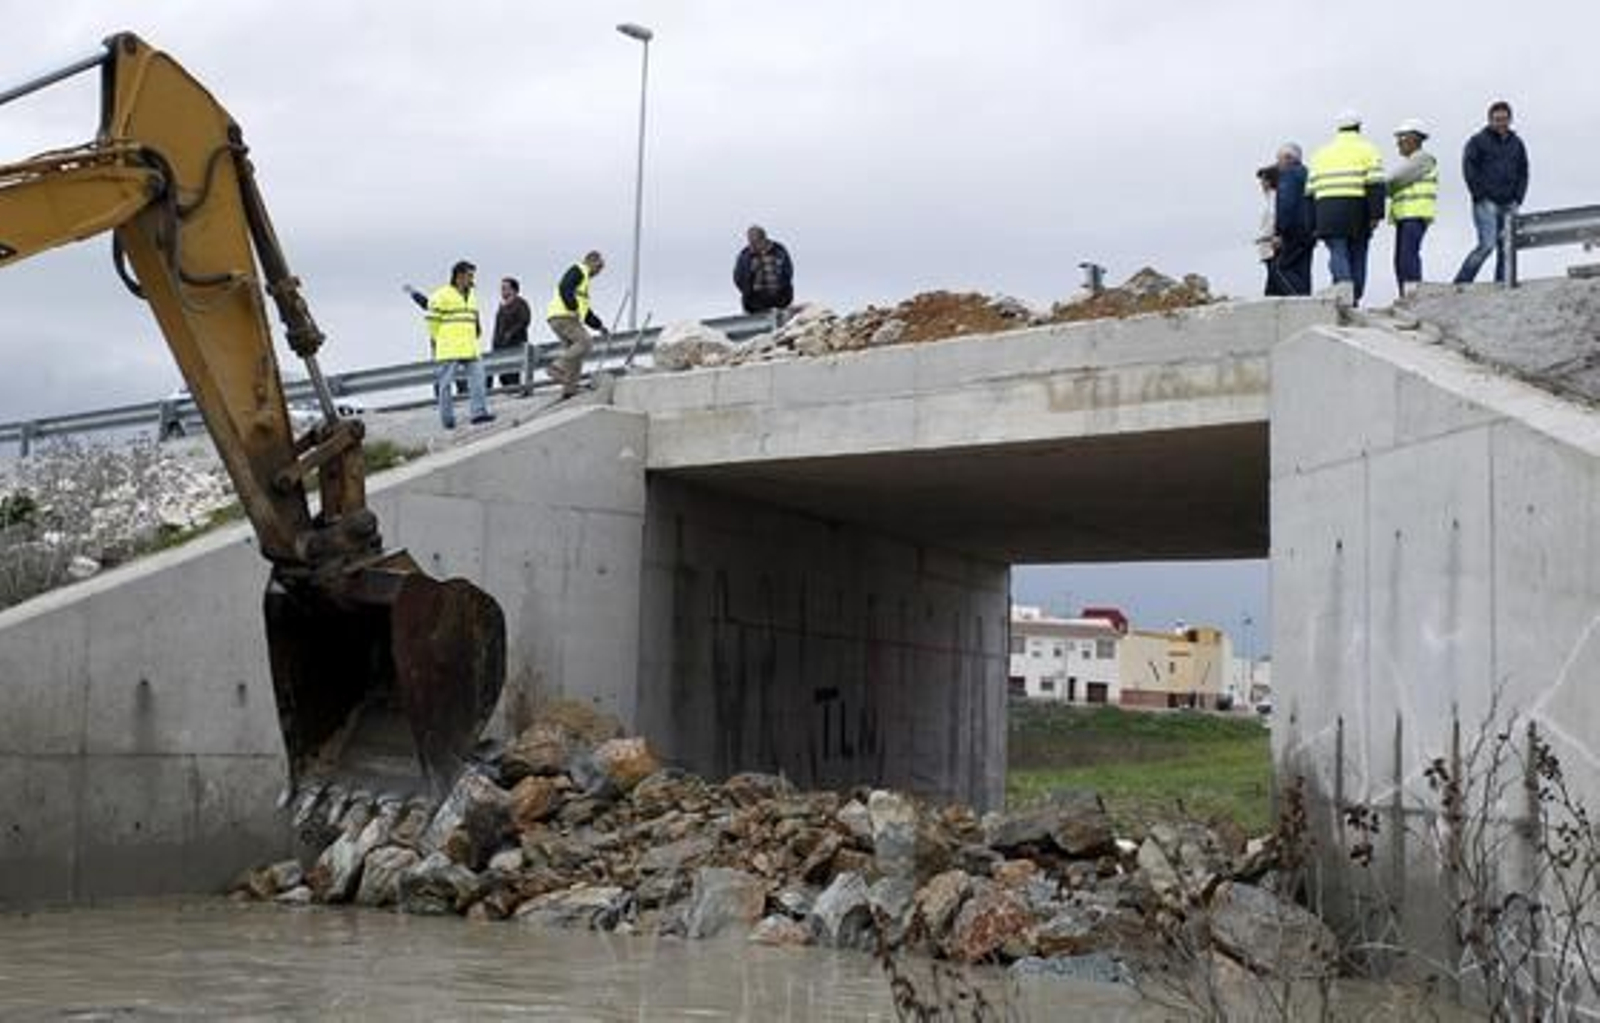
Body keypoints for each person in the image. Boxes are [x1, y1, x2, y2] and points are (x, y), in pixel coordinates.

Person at [1307, 111, 1385, 306]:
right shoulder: (1368, 150)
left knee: (1337, 251)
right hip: (1356, 208)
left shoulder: (1320, 154)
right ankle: (1354, 296)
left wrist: (1313, 221)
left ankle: (1343, 292)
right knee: (1358, 253)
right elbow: (1375, 184)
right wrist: (1376, 215)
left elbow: (1309, 192)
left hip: (1326, 209)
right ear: (1359, 127)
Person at [1453, 100, 1529, 284]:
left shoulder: (1517, 143)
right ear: (1490, 120)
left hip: (1510, 202)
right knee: (1487, 245)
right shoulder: (1478, 141)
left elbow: (1524, 171)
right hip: (1486, 202)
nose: (1501, 123)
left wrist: (1518, 198)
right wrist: (1479, 194)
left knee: (1507, 247)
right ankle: (1462, 282)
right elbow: (1468, 167)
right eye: (1496, 119)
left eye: (1504, 119)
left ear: (1510, 120)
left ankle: (1501, 283)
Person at [426, 260, 493, 429]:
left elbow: (473, 318)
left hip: (470, 346)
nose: (472, 279)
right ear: (459, 276)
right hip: (449, 348)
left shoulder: (472, 295)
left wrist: (477, 333)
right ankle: (447, 420)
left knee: (478, 379)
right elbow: (432, 322)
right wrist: (438, 340)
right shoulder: (441, 295)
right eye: (469, 275)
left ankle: (479, 413)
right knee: (445, 385)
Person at [545, 251, 608, 399]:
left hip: (558, 317)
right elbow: (564, 288)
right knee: (585, 343)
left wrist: (599, 326)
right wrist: (572, 308)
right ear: (591, 262)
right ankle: (557, 366)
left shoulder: (584, 282)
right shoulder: (579, 270)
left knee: (575, 354)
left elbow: (586, 313)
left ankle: (569, 389)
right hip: (564, 316)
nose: (597, 273)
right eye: (598, 268)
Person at [1387, 119, 1439, 296]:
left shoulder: (1422, 160)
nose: (1398, 143)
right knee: (1401, 260)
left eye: (1402, 138)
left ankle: (1413, 296)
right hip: (1405, 216)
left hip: (1415, 215)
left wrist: (1376, 188)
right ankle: (1405, 295)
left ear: (1414, 139)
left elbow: (1394, 180)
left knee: (1407, 258)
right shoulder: (1412, 161)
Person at [1273, 143, 1315, 295]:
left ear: (1289, 158)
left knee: (1280, 269)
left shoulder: (1289, 175)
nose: (1277, 164)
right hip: (1310, 231)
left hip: (1294, 231)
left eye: (1279, 159)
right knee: (1303, 272)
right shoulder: (1308, 174)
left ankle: (1303, 303)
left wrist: (1279, 233)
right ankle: (1308, 302)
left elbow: (1286, 205)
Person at [732, 225, 794, 314]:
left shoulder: (779, 250)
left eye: (755, 242)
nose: (752, 246)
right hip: (755, 303)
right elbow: (738, 279)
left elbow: (788, 272)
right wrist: (750, 272)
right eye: (750, 242)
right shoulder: (745, 256)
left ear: (763, 239)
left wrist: (783, 289)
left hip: (780, 300)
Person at [490, 277, 531, 389]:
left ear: (513, 290)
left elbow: (524, 321)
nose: (502, 291)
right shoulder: (502, 306)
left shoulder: (520, 303)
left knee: (513, 378)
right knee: (503, 378)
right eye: (501, 288)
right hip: (500, 348)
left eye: (505, 288)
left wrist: (510, 333)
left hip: (514, 347)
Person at [1255, 165, 1287, 295]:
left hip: (1272, 245)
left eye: (1263, 180)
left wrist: (1267, 237)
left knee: (1275, 283)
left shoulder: (1274, 197)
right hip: (1268, 245)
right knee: (1273, 281)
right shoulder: (1270, 198)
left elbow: (1274, 218)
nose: (1261, 184)